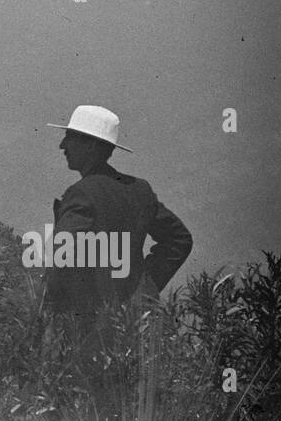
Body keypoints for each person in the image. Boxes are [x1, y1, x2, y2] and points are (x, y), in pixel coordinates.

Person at [44, 105, 192, 319]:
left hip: (91, 324)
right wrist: (144, 289)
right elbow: (179, 239)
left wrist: (51, 310)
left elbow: (62, 255)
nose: (62, 146)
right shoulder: (139, 190)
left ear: (91, 146)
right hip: (135, 320)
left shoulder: (81, 194)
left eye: (70, 138)